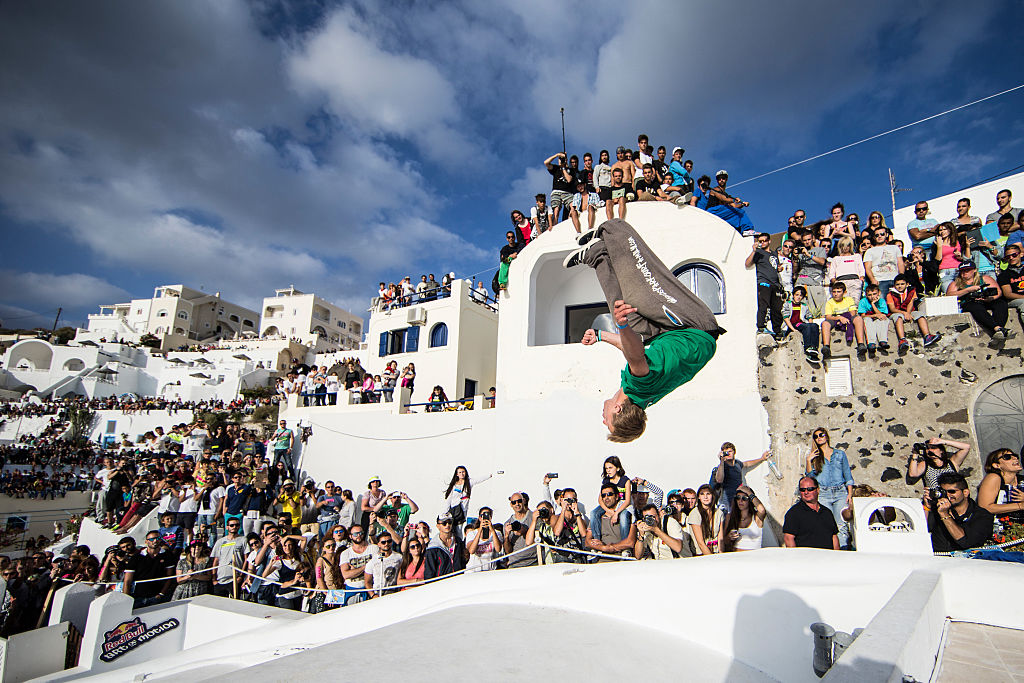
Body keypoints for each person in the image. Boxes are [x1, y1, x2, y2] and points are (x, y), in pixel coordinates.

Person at [565, 219, 725, 442]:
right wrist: (622, 326)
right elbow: (635, 356)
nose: (603, 420)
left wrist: (601, 335)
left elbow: (633, 350)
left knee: (624, 313)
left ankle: (597, 254)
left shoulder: (641, 398)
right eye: (607, 422)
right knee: (639, 284)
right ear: (618, 409)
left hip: (669, 335)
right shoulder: (639, 387)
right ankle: (611, 230)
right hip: (695, 325)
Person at [804, 428, 854, 549]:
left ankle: (843, 550)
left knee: (841, 525)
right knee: (826, 524)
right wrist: (808, 461)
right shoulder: (815, 457)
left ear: (826, 436)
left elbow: (847, 475)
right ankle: (830, 551)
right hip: (823, 493)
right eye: (816, 436)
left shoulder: (839, 454)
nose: (819, 437)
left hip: (840, 492)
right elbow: (810, 477)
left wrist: (850, 494)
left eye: (821, 435)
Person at [928, 472, 994, 553]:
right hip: (937, 557)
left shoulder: (983, 516)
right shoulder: (937, 509)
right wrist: (927, 507)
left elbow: (965, 542)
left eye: (952, 491)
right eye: (943, 492)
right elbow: (923, 529)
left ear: (965, 492)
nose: (947, 495)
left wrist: (945, 515)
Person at [947, 261, 1010, 338]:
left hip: (986, 301)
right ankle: (997, 328)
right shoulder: (956, 283)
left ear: (974, 270)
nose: (965, 272)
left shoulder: (985, 278)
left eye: (968, 270)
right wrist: (968, 290)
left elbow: (998, 292)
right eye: (962, 271)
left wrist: (989, 298)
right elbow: (949, 295)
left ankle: (999, 330)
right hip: (970, 303)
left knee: (1001, 303)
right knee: (975, 307)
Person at [886, 274, 941, 353]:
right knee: (898, 318)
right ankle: (902, 340)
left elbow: (910, 303)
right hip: (897, 312)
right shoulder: (890, 294)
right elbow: (892, 309)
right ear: (894, 286)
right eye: (897, 284)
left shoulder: (911, 291)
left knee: (920, 315)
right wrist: (904, 313)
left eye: (902, 284)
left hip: (909, 311)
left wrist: (908, 313)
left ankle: (927, 336)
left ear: (907, 284)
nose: (900, 286)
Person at [782, 477, 840, 550]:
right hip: (805, 556)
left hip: (827, 556)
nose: (806, 492)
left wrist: (836, 555)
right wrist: (795, 556)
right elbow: (788, 538)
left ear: (817, 490)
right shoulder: (793, 513)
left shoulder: (827, 512)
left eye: (810, 489)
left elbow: (834, 537)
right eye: (803, 490)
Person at [710, 442, 769, 511]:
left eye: (730, 451)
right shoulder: (722, 467)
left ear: (734, 452)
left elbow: (747, 464)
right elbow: (719, 480)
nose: (728, 454)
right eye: (726, 452)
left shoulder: (737, 464)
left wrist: (762, 459)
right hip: (727, 503)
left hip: (738, 501)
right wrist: (722, 461)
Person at [746, 232, 784, 338]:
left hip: (775, 284)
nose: (762, 243)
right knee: (763, 305)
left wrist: (779, 268)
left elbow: (773, 266)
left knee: (776, 309)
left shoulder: (774, 254)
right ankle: (761, 327)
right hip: (764, 282)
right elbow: (747, 263)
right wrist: (754, 251)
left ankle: (777, 331)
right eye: (760, 241)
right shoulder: (758, 252)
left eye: (764, 241)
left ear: (769, 241)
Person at [585, 483, 638, 557]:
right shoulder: (597, 516)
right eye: (603, 495)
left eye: (609, 494)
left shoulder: (627, 515)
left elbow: (630, 542)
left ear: (617, 497)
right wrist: (603, 548)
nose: (606, 497)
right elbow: (587, 542)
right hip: (601, 558)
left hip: (622, 558)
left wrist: (611, 547)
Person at [976, 448, 1024, 530]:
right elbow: (985, 507)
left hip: (1018, 530)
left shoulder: (1022, 480)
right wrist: (1020, 506)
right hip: (996, 530)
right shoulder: (993, 478)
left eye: (1015, 456)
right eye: (1007, 457)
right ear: (997, 465)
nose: (1015, 458)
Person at [589, 456, 634, 540]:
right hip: (609, 505)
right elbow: (600, 499)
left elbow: (627, 501)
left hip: (622, 505)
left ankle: (625, 541)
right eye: (606, 468)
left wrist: (616, 513)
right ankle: (597, 539)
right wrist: (609, 511)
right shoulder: (606, 481)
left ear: (617, 468)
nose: (608, 471)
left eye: (610, 468)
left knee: (623, 516)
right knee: (593, 513)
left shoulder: (625, 480)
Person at [907, 437, 972, 493]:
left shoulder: (951, 463)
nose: (930, 450)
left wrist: (943, 441)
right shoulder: (925, 464)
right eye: (928, 448)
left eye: (933, 448)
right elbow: (913, 474)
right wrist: (915, 454)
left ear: (941, 450)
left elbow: (966, 447)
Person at [820, 281, 866, 359]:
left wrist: (844, 317)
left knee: (858, 318)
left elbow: (853, 313)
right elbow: (828, 317)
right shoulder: (830, 302)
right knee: (825, 323)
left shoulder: (849, 300)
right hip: (836, 319)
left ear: (844, 293)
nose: (836, 294)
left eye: (838, 292)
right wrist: (840, 318)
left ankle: (861, 344)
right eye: (834, 292)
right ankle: (826, 347)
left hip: (848, 317)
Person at [705, 170, 754, 235]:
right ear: (717, 181)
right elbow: (723, 198)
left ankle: (742, 233)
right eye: (719, 179)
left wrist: (743, 204)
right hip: (713, 211)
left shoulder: (727, 195)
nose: (721, 180)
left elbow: (735, 206)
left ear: (726, 179)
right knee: (739, 212)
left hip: (720, 212)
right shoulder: (715, 190)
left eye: (723, 178)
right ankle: (747, 229)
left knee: (739, 214)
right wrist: (733, 200)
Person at [863, 225, 904, 301]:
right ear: (874, 237)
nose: (879, 236)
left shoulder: (895, 248)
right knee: (882, 303)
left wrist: (901, 277)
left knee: (898, 302)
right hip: (880, 281)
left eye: (882, 234)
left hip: (895, 279)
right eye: (877, 235)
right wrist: (873, 280)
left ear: (886, 235)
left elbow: (900, 263)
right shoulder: (870, 251)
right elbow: (867, 268)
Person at [338, 524, 376, 605]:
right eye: (355, 534)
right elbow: (346, 574)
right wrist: (366, 566)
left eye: (360, 533)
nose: (358, 536)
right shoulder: (345, 553)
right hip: (352, 591)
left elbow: (377, 568)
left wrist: (354, 571)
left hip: (371, 589)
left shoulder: (374, 548)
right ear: (350, 536)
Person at [721, 484, 766, 552]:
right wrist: (729, 537)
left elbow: (762, 510)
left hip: (754, 556)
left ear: (750, 500)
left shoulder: (756, 517)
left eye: (744, 498)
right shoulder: (730, 516)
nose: (740, 501)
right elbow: (724, 540)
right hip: (736, 555)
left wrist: (749, 492)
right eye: (738, 498)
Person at [794, 231, 829, 317]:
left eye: (809, 239)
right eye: (804, 240)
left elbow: (822, 262)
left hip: (815, 282)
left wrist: (808, 255)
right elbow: (795, 269)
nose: (807, 242)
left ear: (813, 239)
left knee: (820, 308)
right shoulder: (800, 252)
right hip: (801, 282)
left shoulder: (820, 249)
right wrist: (795, 257)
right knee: (802, 309)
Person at [785, 286, 822, 364]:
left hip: (801, 324)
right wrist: (793, 329)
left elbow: (809, 316)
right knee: (805, 326)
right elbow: (786, 318)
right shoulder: (788, 304)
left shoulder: (804, 305)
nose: (798, 297)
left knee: (814, 325)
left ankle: (814, 348)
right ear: (793, 295)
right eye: (796, 295)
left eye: (800, 295)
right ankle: (807, 347)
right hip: (793, 325)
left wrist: (811, 326)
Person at [424, 513, 467, 579]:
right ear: (438, 526)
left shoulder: (458, 541)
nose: (447, 525)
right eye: (444, 523)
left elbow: (463, 561)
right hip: (442, 582)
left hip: (458, 580)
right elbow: (429, 572)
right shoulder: (432, 547)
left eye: (450, 522)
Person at [210, 518, 245, 598]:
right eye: (232, 525)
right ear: (227, 527)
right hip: (221, 578)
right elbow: (216, 560)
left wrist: (241, 576)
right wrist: (214, 579)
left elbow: (246, 559)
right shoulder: (220, 541)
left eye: (237, 525)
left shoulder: (243, 540)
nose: (234, 527)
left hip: (234, 578)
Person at [826, 237, 865, 303]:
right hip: (841, 281)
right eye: (843, 245)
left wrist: (861, 279)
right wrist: (836, 283)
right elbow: (831, 274)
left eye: (848, 245)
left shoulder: (856, 256)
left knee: (855, 303)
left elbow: (861, 269)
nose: (845, 247)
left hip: (855, 281)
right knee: (843, 304)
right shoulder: (836, 259)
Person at [503, 492, 536, 568]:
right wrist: (506, 536)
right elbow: (508, 551)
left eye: (519, 501)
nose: (517, 504)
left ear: (524, 501)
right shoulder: (507, 523)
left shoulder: (533, 517)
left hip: (533, 561)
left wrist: (525, 531)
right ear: (511, 505)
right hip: (515, 563)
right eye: (514, 502)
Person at [857, 284, 890, 358]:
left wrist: (873, 304)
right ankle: (871, 343)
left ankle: (883, 341)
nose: (872, 297)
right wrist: (874, 315)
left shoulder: (882, 301)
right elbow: (863, 316)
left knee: (884, 320)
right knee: (867, 320)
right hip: (869, 319)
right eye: (869, 295)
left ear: (879, 293)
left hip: (878, 319)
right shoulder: (863, 301)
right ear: (866, 295)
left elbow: (881, 315)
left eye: (874, 294)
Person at [364, 532, 402, 597]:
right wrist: (373, 595)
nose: (386, 544)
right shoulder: (372, 562)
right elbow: (367, 582)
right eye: (383, 542)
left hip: (394, 592)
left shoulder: (399, 557)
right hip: (379, 593)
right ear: (379, 544)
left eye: (389, 541)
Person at [544, 152, 575, 226]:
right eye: (560, 159)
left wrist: (563, 168)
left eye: (563, 159)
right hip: (556, 191)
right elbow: (546, 163)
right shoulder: (556, 168)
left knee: (573, 207)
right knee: (556, 210)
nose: (561, 160)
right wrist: (557, 155)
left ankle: (571, 223)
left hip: (567, 192)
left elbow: (569, 180)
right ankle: (554, 226)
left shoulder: (570, 170)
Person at [998, 243, 1024, 330]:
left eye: (1014, 255)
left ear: (1021, 254)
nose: (1011, 258)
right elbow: (1008, 294)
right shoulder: (1004, 275)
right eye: (1008, 257)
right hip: (1014, 300)